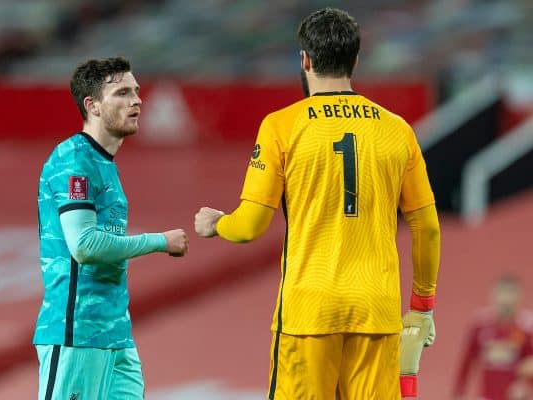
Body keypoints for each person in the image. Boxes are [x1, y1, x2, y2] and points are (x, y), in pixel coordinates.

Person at [194, 8, 440, 400]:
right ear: (355, 61)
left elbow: (250, 226)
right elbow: (426, 227)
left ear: (305, 59)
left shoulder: (282, 125)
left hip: (308, 311)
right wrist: (422, 306)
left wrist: (216, 224)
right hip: (375, 310)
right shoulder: (397, 130)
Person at [34, 56, 189, 400]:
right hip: (76, 331)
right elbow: (84, 246)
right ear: (93, 106)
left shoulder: (103, 163)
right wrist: (159, 241)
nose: (137, 100)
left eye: (135, 91)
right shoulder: (74, 159)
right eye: (122, 93)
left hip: (113, 333)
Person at [455, 276, 533, 400]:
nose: (506, 300)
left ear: (519, 297)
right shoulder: (480, 324)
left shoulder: (527, 327)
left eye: (511, 294)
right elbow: (467, 361)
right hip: (486, 396)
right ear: (493, 296)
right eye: (502, 294)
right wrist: (459, 393)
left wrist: (524, 384)